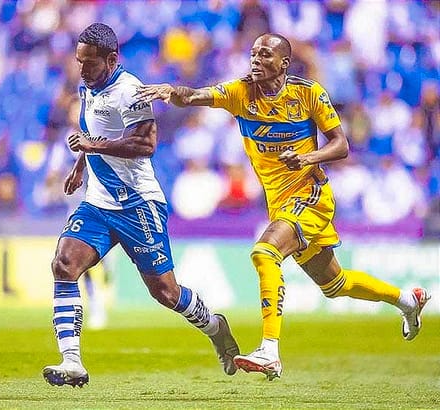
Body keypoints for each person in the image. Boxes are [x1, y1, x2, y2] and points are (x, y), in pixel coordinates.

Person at [136, 33, 431, 381]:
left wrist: (307, 158)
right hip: (280, 204)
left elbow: (341, 145)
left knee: (264, 253)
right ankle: (407, 300)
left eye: (265, 54)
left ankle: (269, 351)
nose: (256, 60)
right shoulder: (239, 92)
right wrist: (171, 91)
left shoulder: (308, 93)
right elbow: (193, 96)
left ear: (284, 63)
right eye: (253, 54)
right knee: (334, 284)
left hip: (310, 195)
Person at [42, 23, 240, 388]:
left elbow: (145, 144)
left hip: (138, 205)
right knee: (64, 264)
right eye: (79, 61)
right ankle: (72, 362)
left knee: (166, 292)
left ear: (111, 59)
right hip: (99, 202)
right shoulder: (87, 87)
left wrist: (90, 147)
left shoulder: (131, 91)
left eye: (89, 63)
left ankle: (215, 327)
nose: (82, 69)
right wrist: (80, 164)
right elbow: (95, 131)